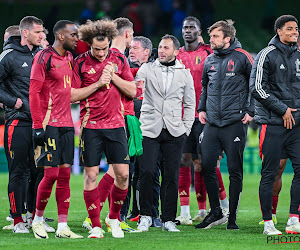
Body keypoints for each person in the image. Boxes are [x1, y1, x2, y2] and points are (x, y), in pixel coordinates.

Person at [30, 20, 104, 239]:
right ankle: (37, 220)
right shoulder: (44, 57)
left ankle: (63, 227)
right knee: (51, 174)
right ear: (61, 36)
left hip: (65, 124)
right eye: (73, 35)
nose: (76, 39)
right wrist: (37, 126)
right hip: (47, 123)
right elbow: (34, 93)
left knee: (64, 176)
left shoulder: (70, 58)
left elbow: (73, 90)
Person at [73, 19, 136, 239]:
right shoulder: (79, 63)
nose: (101, 53)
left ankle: (114, 218)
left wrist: (114, 77)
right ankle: (96, 225)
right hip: (90, 127)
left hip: (116, 125)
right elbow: (71, 95)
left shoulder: (119, 59)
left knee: (124, 175)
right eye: (96, 49)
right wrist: (98, 83)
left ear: (110, 42)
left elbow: (133, 91)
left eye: (105, 48)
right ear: (89, 44)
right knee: (91, 176)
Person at [196, 19, 254, 230]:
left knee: (234, 170)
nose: (210, 40)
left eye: (215, 37)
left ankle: (232, 217)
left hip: (234, 123)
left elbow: (256, 84)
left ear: (227, 39)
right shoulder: (210, 60)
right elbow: (205, 87)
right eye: (211, 36)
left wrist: (251, 110)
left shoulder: (243, 57)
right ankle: (216, 212)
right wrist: (201, 109)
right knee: (207, 166)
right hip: (212, 122)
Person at [136, 34, 195, 232]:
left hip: (174, 131)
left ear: (176, 51)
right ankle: (145, 216)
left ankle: (168, 219)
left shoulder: (184, 73)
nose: (161, 50)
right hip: (149, 129)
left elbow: (190, 104)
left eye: (166, 48)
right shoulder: (147, 68)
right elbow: (136, 90)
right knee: (147, 172)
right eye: (160, 47)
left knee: (171, 176)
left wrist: (185, 129)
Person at [176, 16, 229, 225]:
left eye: (192, 28)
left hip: (205, 116)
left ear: (199, 32)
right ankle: (187, 212)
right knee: (184, 161)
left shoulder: (209, 53)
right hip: (182, 117)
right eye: (185, 27)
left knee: (205, 163)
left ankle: (224, 207)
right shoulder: (177, 55)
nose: (188, 31)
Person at [250, 14, 300, 235]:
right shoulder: (266, 55)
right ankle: (268, 222)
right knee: (270, 172)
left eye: (296, 29)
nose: (295, 32)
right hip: (273, 123)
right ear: (279, 31)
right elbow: (257, 89)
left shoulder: (299, 56)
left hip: (297, 125)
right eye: (290, 29)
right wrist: (283, 110)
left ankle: (294, 218)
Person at [0, 16, 44, 234]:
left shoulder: (41, 54)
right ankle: (17, 219)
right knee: (19, 172)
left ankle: (34, 216)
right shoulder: (8, 56)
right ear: (25, 33)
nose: (42, 35)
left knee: (40, 172)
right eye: (38, 32)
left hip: (41, 123)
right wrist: (12, 101)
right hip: (18, 121)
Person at [127, 36, 162, 227]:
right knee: (127, 170)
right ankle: (129, 211)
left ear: (147, 52)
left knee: (150, 171)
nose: (131, 51)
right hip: (128, 123)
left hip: (150, 126)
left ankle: (153, 212)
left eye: (136, 48)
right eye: (130, 48)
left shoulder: (157, 70)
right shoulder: (124, 68)